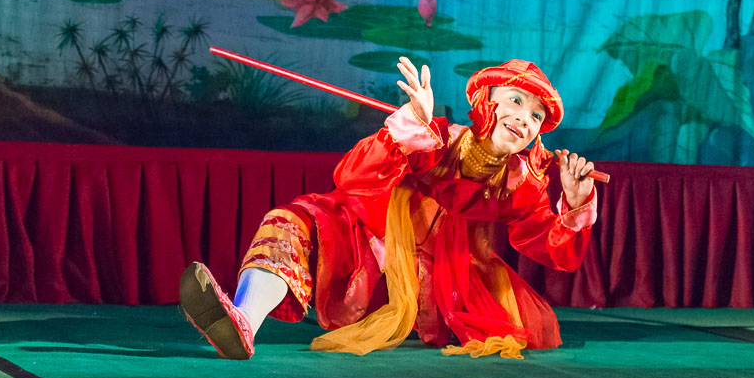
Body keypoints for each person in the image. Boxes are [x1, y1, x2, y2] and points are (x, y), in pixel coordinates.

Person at [179, 57, 598, 360]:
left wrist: (574, 203)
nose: (526, 119)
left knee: (488, 321)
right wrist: (408, 128)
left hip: (440, 287)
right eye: (516, 102)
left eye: (537, 115)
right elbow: (353, 178)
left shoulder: (519, 183)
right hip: (371, 252)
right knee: (289, 220)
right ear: (487, 101)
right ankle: (245, 320)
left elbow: (550, 246)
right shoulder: (436, 138)